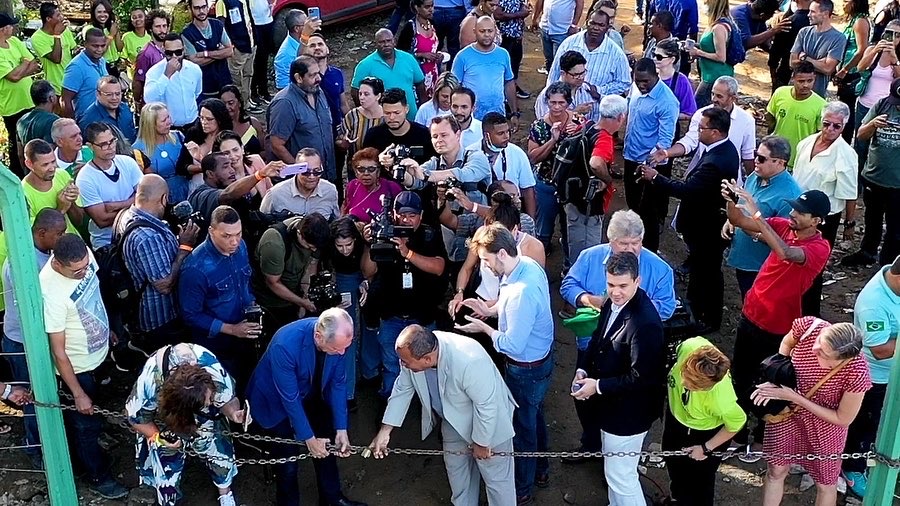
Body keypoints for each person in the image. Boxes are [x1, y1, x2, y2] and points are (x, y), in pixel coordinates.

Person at [723, 187, 832, 456]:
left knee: (770, 382)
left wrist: (757, 212)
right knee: (740, 376)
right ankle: (737, 434)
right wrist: (731, 201)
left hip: (779, 328)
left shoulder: (819, 247)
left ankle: (761, 439)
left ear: (816, 221)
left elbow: (785, 253)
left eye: (800, 212)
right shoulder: (784, 226)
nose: (792, 215)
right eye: (793, 209)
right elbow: (739, 221)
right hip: (752, 315)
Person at [560, 209, 675, 458]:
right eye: (624, 243)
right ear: (610, 241)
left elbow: (667, 306)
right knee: (585, 399)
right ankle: (591, 445)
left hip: (628, 355)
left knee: (621, 404)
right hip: (590, 344)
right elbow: (568, 284)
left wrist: (633, 311)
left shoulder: (660, 268)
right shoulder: (589, 257)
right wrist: (586, 299)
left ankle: (619, 455)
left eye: (636, 243)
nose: (631, 249)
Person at [454, 224, 553, 504]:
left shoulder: (522, 290)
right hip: (539, 362)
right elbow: (507, 302)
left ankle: (521, 489)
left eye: (485, 260)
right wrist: (489, 309)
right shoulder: (527, 266)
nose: (483, 265)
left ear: (500, 254)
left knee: (521, 430)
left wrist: (484, 329)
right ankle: (541, 470)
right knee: (534, 417)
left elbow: (512, 344)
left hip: (525, 368)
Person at [371, 326, 517, 505]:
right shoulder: (419, 351)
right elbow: (402, 388)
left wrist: (482, 442)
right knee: (458, 477)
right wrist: (385, 430)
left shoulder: (469, 359)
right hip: (453, 422)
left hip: (490, 425)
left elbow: (487, 406)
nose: (402, 364)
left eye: (405, 361)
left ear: (427, 359)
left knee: (497, 482)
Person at [570, 251, 665, 506]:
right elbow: (597, 339)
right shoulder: (612, 303)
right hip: (611, 406)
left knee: (621, 476)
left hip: (630, 414)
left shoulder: (646, 323)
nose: (616, 292)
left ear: (637, 281)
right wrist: (583, 370)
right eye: (611, 285)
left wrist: (597, 386)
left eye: (623, 285)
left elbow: (642, 378)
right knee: (615, 475)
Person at [246, 309, 367, 506]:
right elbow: (290, 398)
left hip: (310, 392)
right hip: (274, 402)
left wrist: (341, 428)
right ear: (318, 337)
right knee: (287, 464)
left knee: (327, 445)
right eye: (337, 348)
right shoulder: (284, 344)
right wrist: (309, 439)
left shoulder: (337, 340)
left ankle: (332, 499)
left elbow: (338, 383)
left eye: (345, 347)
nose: (342, 353)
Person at [40, 233, 127, 499]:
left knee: (94, 415)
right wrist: (77, 392)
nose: (84, 272)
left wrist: (108, 325)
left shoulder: (82, 255)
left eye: (85, 266)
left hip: (98, 355)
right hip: (77, 369)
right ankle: (96, 475)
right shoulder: (50, 292)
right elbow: (58, 351)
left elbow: (95, 292)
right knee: (84, 427)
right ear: (57, 263)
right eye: (76, 271)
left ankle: (95, 451)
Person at [639, 108, 738, 332]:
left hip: (707, 226)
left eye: (701, 128)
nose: (696, 130)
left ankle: (708, 319)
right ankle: (697, 309)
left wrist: (656, 177)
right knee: (702, 269)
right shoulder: (720, 149)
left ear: (715, 132)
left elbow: (688, 190)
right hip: (704, 223)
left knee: (708, 272)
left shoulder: (717, 160)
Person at [753, 318, 871, 506]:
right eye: (819, 342)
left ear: (840, 360)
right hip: (788, 413)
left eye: (823, 352)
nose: (814, 348)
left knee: (825, 483)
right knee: (776, 469)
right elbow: (786, 343)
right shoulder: (810, 327)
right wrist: (778, 372)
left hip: (825, 427)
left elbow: (843, 418)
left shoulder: (857, 372)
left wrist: (796, 397)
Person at [126, 343, 247, 506]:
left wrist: (233, 413)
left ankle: (225, 492)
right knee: (165, 462)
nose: (211, 401)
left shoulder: (211, 368)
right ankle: (169, 499)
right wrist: (159, 437)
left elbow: (227, 398)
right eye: (208, 400)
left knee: (219, 452)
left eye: (210, 398)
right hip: (167, 419)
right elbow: (137, 418)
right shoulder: (150, 381)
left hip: (205, 419)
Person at [360, 191, 448, 398]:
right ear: (394, 213)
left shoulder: (429, 235)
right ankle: (391, 404)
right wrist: (371, 242)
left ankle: (427, 405)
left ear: (421, 215)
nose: (407, 220)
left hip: (423, 316)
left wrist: (407, 252)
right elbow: (368, 271)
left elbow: (439, 267)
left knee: (427, 364)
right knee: (391, 364)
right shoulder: (386, 232)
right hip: (391, 315)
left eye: (412, 215)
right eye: (402, 215)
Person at [2, 209, 66, 467]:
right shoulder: (23, 265)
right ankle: (37, 449)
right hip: (23, 342)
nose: (63, 238)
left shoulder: (44, 252)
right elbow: (32, 313)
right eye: (59, 234)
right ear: (42, 233)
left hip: (37, 337)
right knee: (31, 397)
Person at [177, 205, 259, 386]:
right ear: (211, 231)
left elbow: (246, 281)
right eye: (227, 236)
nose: (235, 241)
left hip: (244, 333)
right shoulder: (195, 268)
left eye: (238, 234)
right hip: (216, 344)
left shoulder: (241, 248)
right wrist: (231, 329)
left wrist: (251, 303)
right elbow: (190, 315)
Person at [792, 101, 858, 317]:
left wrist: (849, 223)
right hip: (796, 211)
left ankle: (810, 315)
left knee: (813, 268)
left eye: (836, 126)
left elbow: (849, 194)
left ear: (844, 126)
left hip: (824, 220)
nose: (830, 129)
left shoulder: (846, 155)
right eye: (827, 123)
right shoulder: (807, 142)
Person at [116, 174, 199, 347]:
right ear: (163, 198)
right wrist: (184, 248)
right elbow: (164, 285)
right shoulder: (148, 237)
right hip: (160, 320)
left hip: (142, 314)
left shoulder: (124, 217)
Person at [841, 255, 900, 497]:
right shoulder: (873, 302)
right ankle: (853, 469)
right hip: (875, 378)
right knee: (868, 426)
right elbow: (880, 350)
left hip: (894, 374)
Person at [663, 339, 746, 506]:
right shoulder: (690, 347)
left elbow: (737, 422)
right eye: (686, 375)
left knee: (700, 482)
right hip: (676, 421)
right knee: (673, 464)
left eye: (694, 385)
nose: (684, 383)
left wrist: (705, 448)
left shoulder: (722, 400)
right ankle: (676, 499)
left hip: (702, 434)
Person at [723, 135, 802, 298]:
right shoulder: (754, 176)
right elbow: (743, 205)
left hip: (762, 267)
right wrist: (730, 221)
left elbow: (786, 240)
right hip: (743, 257)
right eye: (755, 154)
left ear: (780, 162)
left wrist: (751, 231)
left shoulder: (790, 196)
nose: (755, 161)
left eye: (761, 158)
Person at [650, 75, 756, 185]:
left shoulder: (746, 121)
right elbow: (690, 141)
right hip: (703, 177)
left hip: (729, 183)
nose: (714, 99)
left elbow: (748, 156)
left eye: (719, 96)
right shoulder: (701, 114)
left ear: (733, 98)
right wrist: (667, 153)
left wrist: (752, 184)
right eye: (713, 94)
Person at [623, 58, 679, 252]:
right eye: (637, 80)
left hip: (648, 164)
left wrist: (650, 167)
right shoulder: (636, 88)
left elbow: (665, 140)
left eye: (645, 81)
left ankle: (649, 251)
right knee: (632, 204)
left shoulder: (667, 102)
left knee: (648, 213)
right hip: (630, 156)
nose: (641, 85)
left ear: (656, 75)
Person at [845, 78, 900, 267]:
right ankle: (867, 251)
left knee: (895, 227)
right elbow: (860, 134)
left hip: (898, 184)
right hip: (874, 177)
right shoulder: (883, 104)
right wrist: (873, 124)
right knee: (872, 219)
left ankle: (888, 263)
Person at [527, 82, 585, 249]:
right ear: (547, 102)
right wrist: (553, 140)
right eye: (553, 102)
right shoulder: (539, 126)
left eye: (561, 102)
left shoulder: (579, 121)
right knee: (543, 230)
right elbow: (533, 157)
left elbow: (588, 152)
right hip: (546, 184)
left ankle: (567, 266)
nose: (557, 107)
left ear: (569, 102)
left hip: (572, 185)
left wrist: (581, 132)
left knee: (571, 230)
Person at [252, 212, 330, 336]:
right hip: (270, 303)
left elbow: (311, 265)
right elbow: (273, 283)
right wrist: (302, 302)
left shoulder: (315, 237)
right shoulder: (274, 242)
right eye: (309, 247)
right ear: (300, 234)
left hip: (295, 298)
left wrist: (305, 296)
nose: (313, 250)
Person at [269, 55, 337, 182]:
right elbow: (276, 144)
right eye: (312, 75)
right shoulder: (285, 103)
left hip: (326, 175)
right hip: (303, 181)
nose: (318, 79)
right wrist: (301, 171)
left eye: (318, 73)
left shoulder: (318, 91)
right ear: (298, 78)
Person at [76, 122, 143, 249]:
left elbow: (145, 197)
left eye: (112, 141)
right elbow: (102, 220)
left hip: (135, 234)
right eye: (103, 144)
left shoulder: (127, 162)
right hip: (107, 243)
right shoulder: (85, 179)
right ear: (90, 146)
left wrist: (117, 205)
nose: (110, 147)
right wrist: (134, 205)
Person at [848, 20, 900, 173]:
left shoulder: (897, 56)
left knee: (882, 144)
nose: (893, 38)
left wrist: (894, 59)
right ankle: (857, 182)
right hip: (865, 104)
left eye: (897, 35)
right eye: (889, 33)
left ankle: (874, 177)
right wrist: (875, 50)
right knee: (860, 144)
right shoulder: (874, 48)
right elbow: (860, 67)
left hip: (887, 107)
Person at [327, 217, 369, 407]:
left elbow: (372, 268)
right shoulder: (327, 245)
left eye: (348, 244)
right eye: (339, 246)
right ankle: (348, 392)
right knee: (346, 336)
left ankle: (370, 372)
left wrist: (367, 281)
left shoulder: (363, 239)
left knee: (370, 327)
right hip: (341, 281)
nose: (344, 250)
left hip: (363, 277)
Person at [546, 9, 631, 97]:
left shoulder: (616, 53)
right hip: (567, 106)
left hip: (597, 108)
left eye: (601, 25)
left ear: (607, 28)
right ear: (586, 23)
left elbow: (624, 83)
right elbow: (554, 74)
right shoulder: (569, 44)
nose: (596, 28)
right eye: (592, 23)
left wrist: (599, 90)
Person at [453, 16, 519, 124]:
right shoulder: (463, 56)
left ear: (495, 31)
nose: (487, 34)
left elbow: (509, 83)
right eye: (482, 31)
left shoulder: (503, 54)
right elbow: (455, 87)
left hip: (497, 114)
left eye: (490, 31)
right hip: (471, 118)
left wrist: (514, 113)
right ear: (475, 31)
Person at [352, 29, 427, 122]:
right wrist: (367, 114)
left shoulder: (408, 58)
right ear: (376, 44)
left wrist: (424, 112)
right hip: (383, 120)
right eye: (381, 42)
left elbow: (420, 85)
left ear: (394, 41)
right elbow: (355, 92)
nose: (386, 44)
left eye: (388, 41)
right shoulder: (365, 65)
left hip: (411, 118)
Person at [188, 151, 280, 225]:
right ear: (210, 174)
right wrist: (259, 175)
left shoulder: (232, 194)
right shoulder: (201, 195)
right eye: (225, 167)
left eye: (231, 165)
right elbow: (226, 195)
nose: (232, 170)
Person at [473, 112, 536, 216]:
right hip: (480, 213)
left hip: (512, 215)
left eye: (508, 132)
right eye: (500, 133)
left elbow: (528, 190)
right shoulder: (471, 153)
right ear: (486, 135)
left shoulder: (517, 153)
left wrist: (531, 221)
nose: (506, 136)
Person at [766, 61, 828, 168]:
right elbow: (770, 117)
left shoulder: (822, 105)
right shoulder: (780, 93)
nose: (805, 85)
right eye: (801, 81)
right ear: (793, 78)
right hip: (775, 157)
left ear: (815, 78)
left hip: (799, 162)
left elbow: (820, 136)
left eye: (810, 81)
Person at [0, 13, 38, 178]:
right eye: (10, 25)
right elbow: (13, 77)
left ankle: (33, 169)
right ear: (3, 29)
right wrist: (23, 64)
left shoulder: (14, 42)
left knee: (31, 138)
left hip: (29, 100)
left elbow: (34, 63)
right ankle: (17, 173)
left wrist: (20, 69)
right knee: (16, 143)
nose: (13, 28)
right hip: (12, 105)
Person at [22, 139, 84, 234]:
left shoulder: (62, 175)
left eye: (53, 161)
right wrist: (60, 209)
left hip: (73, 241)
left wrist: (71, 203)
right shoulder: (23, 194)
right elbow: (37, 236)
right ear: (29, 164)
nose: (52, 168)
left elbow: (79, 221)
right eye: (45, 164)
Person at [144, 33, 203, 130]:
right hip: (169, 128)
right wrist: (166, 75)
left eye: (178, 52)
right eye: (169, 53)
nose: (174, 56)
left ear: (183, 50)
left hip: (193, 125)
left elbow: (197, 93)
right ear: (163, 50)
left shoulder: (194, 69)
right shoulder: (154, 72)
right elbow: (149, 99)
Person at [790, 0, 848, 98]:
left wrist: (805, 58)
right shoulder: (804, 32)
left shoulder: (838, 38)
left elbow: (828, 69)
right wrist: (820, 63)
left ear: (825, 14)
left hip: (816, 95)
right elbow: (792, 62)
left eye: (812, 12)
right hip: (794, 92)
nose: (808, 15)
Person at [260, 148, 340, 218]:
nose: (311, 177)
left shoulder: (330, 191)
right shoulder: (275, 194)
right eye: (306, 172)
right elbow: (262, 222)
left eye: (316, 172)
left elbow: (335, 221)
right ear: (296, 170)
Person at [133, 103, 190, 202]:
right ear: (151, 125)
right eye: (164, 120)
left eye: (168, 117)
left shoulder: (178, 136)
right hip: (162, 198)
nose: (169, 122)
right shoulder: (138, 150)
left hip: (188, 191)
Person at [362, 87, 436, 161]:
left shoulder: (424, 134)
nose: (392, 117)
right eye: (387, 113)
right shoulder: (373, 135)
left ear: (406, 109)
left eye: (397, 113)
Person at [834, 0, 871, 142]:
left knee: (847, 111)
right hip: (849, 69)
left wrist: (845, 69)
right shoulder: (855, 20)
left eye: (846, 1)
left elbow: (861, 49)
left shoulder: (860, 22)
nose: (843, 4)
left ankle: (845, 141)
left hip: (853, 72)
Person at [182, 0, 234, 99]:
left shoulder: (217, 25)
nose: (201, 11)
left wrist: (205, 54)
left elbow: (230, 51)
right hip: (205, 86)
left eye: (204, 7)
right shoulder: (187, 33)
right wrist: (220, 53)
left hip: (225, 81)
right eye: (197, 8)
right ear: (191, 9)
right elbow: (195, 61)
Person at [214, 0, 258, 113]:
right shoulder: (222, 2)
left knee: (248, 74)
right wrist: (231, 45)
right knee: (236, 78)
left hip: (250, 43)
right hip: (237, 46)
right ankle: (239, 105)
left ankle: (247, 101)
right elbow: (221, 25)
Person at [690, 0, 736, 108]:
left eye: (706, 4)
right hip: (709, 74)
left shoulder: (719, 27)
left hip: (714, 76)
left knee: (697, 108)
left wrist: (698, 52)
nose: (704, 7)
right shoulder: (715, 24)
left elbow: (721, 57)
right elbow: (711, 47)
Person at [181, 98, 232, 191]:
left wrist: (202, 165)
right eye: (201, 118)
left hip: (221, 189)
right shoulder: (193, 134)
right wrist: (202, 168)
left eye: (209, 119)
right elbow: (181, 167)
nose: (204, 122)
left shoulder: (228, 138)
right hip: (196, 187)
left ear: (219, 119)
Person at [534, 50, 600, 122]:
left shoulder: (588, 90)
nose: (581, 77)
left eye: (583, 73)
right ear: (563, 73)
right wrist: (575, 113)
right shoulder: (548, 94)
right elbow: (544, 125)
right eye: (576, 75)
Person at [342, 147, 403, 222]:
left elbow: (401, 217)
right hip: (354, 232)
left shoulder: (392, 187)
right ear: (355, 171)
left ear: (378, 171)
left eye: (371, 169)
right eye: (361, 169)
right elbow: (344, 211)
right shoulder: (352, 186)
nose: (366, 173)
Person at [397, 0, 442, 99]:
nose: (431, 10)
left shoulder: (433, 24)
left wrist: (439, 54)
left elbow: (438, 46)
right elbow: (400, 54)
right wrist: (421, 55)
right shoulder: (410, 28)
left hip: (434, 73)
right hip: (417, 75)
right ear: (417, 8)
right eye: (427, 7)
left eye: (432, 6)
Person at [31, 2, 77, 95]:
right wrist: (57, 35)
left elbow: (73, 49)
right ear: (48, 19)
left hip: (73, 81)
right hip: (56, 86)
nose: (62, 17)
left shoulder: (65, 30)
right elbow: (56, 59)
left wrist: (78, 50)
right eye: (58, 15)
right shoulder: (37, 38)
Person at [62, 28, 108, 121]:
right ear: (85, 44)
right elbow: (65, 100)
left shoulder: (101, 61)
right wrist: (72, 124)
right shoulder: (76, 67)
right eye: (95, 46)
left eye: (102, 46)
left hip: (104, 119)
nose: (99, 49)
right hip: (85, 122)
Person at [213, 130, 273, 199]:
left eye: (235, 150)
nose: (232, 156)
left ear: (242, 149)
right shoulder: (220, 176)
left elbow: (270, 191)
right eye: (226, 153)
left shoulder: (256, 161)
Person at [78, 76, 137, 143]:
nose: (114, 98)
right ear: (98, 94)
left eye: (117, 94)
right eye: (109, 94)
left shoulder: (125, 109)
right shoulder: (88, 120)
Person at [341, 76, 384, 167]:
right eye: (360, 94)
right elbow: (339, 139)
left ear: (378, 96)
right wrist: (344, 143)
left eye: (366, 94)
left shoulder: (387, 117)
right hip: (356, 168)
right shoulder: (352, 115)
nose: (361, 97)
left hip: (382, 168)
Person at [531, 0, 585, 74]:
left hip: (562, 30)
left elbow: (580, 3)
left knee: (559, 61)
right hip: (545, 27)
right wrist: (535, 18)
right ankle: (549, 73)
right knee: (548, 57)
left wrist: (573, 25)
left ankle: (558, 80)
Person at [133, 9, 169, 111]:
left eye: (164, 26)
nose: (162, 30)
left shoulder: (171, 49)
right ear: (150, 29)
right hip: (152, 106)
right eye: (158, 26)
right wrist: (137, 102)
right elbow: (138, 82)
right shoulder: (146, 53)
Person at [653, 39, 697, 122]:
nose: (654, 58)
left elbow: (689, 113)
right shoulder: (651, 75)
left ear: (672, 59)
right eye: (654, 55)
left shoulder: (681, 81)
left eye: (659, 57)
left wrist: (666, 115)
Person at [273, 10, 317, 90]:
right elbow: (283, 87)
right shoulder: (285, 55)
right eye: (306, 24)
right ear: (297, 28)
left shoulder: (308, 40)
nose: (310, 25)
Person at [497, 0, 531, 99]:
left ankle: (514, 88)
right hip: (505, 38)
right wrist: (519, 14)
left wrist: (524, 11)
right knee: (506, 66)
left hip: (516, 36)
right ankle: (504, 95)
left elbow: (522, 8)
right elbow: (497, 15)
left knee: (515, 64)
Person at [220, 84, 266, 156]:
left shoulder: (253, 123)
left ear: (239, 103)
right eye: (223, 104)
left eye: (231, 103)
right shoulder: (219, 128)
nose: (227, 107)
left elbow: (263, 150)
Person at [17, 80, 60, 150]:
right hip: (46, 160)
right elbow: (51, 150)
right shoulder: (53, 121)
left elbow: (20, 154)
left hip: (29, 160)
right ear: (51, 98)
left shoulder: (21, 120)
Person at [83, 0, 122, 73]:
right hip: (101, 66)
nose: (102, 15)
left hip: (114, 66)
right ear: (93, 13)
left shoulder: (110, 28)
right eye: (99, 12)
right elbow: (100, 52)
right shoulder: (90, 29)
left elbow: (120, 48)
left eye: (105, 12)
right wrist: (111, 35)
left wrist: (116, 32)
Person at [248, 0, 275, 105]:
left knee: (264, 58)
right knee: (256, 58)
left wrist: (273, 3)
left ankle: (263, 91)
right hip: (254, 22)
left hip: (267, 20)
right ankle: (253, 92)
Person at [122, 7, 150, 71]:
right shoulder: (126, 37)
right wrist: (132, 65)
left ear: (145, 18)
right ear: (131, 21)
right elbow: (123, 58)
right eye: (134, 17)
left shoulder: (150, 37)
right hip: (133, 77)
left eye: (140, 16)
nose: (137, 19)